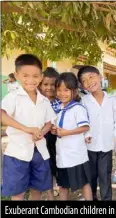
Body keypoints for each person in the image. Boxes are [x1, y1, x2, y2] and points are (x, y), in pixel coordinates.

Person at [1, 54, 55, 200]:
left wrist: (41, 132)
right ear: (17, 75)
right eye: (25, 75)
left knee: (37, 190)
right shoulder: (13, 97)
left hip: (40, 152)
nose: (31, 80)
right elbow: (2, 114)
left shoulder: (44, 100)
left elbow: (49, 122)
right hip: (18, 152)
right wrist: (26, 129)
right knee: (18, 193)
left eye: (35, 76)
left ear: (41, 76)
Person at [78, 66, 116, 201]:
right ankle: (92, 198)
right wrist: (87, 135)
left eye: (91, 77)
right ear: (82, 86)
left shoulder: (112, 100)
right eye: (84, 80)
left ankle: (107, 199)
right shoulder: (84, 101)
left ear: (100, 76)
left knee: (105, 175)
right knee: (91, 176)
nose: (89, 82)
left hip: (106, 146)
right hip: (90, 146)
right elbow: (82, 121)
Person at [53, 72, 92, 200]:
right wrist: (55, 131)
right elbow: (59, 128)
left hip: (76, 155)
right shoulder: (59, 108)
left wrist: (66, 133)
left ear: (75, 91)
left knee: (84, 183)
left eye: (66, 90)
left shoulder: (78, 108)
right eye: (59, 90)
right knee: (63, 185)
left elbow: (85, 127)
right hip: (62, 155)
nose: (61, 93)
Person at [38, 67, 61, 200]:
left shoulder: (62, 102)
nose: (50, 88)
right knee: (46, 167)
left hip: (58, 139)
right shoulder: (39, 102)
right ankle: (50, 195)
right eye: (46, 84)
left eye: (53, 84)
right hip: (43, 138)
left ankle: (60, 187)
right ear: (40, 85)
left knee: (58, 166)